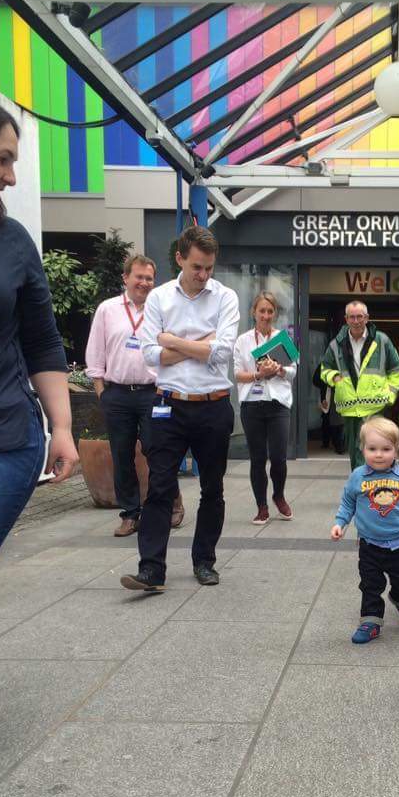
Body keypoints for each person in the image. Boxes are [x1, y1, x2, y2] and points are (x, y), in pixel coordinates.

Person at [0, 88, 78, 749]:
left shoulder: (10, 243)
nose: (11, 175)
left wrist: (61, 427)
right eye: (1, 158)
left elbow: (41, 342)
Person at [120, 225, 239, 592]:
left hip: (213, 406)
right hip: (168, 406)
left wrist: (172, 340)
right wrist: (198, 343)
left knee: (212, 489)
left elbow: (222, 350)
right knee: (159, 487)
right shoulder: (158, 298)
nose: (203, 276)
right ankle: (151, 569)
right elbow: (151, 354)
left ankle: (204, 561)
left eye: (208, 268)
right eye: (196, 267)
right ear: (180, 259)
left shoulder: (225, 297)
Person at [85, 254, 184, 536]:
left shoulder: (162, 310)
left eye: (149, 278)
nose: (143, 283)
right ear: (126, 278)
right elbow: (95, 353)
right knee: (122, 454)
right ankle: (130, 514)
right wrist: (101, 393)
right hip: (117, 395)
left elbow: (174, 352)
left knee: (159, 451)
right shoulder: (107, 310)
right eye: (138, 277)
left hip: (152, 393)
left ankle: (171, 503)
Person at [331, 416, 399, 644]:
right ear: (362, 448)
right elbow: (347, 503)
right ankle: (370, 622)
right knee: (370, 585)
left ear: (397, 449)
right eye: (372, 449)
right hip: (369, 544)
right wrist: (339, 524)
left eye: (386, 449)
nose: (379, 454)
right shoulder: (358, 477)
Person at [233, 292, 297, 525]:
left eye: (270, 311)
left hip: (278, 403)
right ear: (254, 312)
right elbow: (238, 374)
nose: (266, 315)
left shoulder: (283, 338)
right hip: (252, 404)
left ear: (275, 314)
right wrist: (260, 374)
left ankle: (278, 495)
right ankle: (261, 506)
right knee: (257, 459)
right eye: (262, 311)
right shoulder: (243, 340)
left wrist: (279, 369)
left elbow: (293, 371)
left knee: (279, 457)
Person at [321, 301, 399, 470]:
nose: (356, 320)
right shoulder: (336, 344)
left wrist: (390, 394)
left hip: (375, 407)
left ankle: (376, 489)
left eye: (360, 316)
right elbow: (324, 369)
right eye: (352, 317)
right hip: (350, 407)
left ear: (367, 318)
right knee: (355, 452)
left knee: (376, 450)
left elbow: (396, 370)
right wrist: (335, 377)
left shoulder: (382, 340)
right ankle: (360, 488)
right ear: (346, 319)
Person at [312, 362, 344, 454]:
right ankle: (331, 443)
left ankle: (339, 444)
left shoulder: (344, 361)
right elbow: (316, 380)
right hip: (328, 394)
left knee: (339, 420)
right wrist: (327, 383)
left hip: (342, 394)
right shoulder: (324, 365)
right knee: (328, 418)